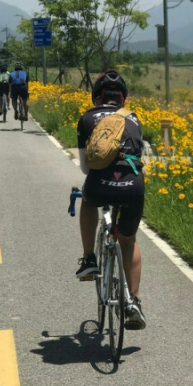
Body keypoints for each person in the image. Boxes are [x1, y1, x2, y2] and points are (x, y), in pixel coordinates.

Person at [76, 70, 146, 330]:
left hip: (99, 185)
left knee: (87, 199)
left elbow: (86, 167)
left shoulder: (87, 118)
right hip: (133, 187)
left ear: (97, 97)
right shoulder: (134, 119)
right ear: (123, 99)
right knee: (128, 241)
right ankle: (132, 303)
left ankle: (89, 259)